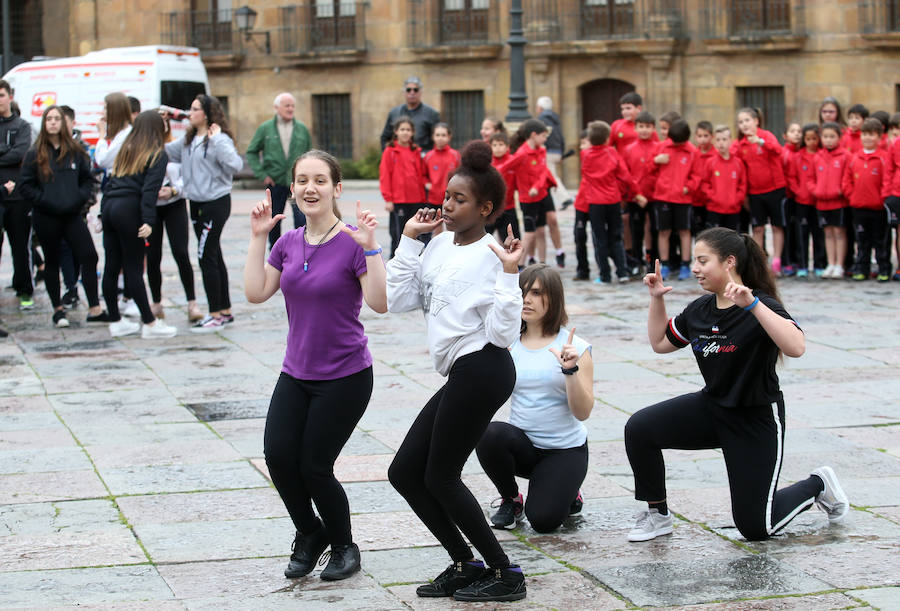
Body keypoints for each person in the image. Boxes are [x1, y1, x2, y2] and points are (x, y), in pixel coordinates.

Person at [625, 228, 849, 543]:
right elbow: (661, 343)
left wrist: (753, 305)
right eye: (695, 260)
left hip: (754, 419)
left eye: (703, 261)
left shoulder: (761, 304)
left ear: (729, 262)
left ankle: (818, 484)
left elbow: (796, 347)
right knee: (640, 428)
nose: (696, 268)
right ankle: (657, 515)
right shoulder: (700, 310)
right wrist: (656, 299)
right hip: (713, 409)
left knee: (757, 528)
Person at [386, 141, 527, 603]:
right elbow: (398, 299)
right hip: (462, 371)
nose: (447, 205)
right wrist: (409, 241)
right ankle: (466, 563)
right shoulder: (440, 244)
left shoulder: (493, 254)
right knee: (405, 472)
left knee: (441, 475)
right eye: (446, 195)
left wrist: (509, 275)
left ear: (485, 208)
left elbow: (505, 335)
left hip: (484, 367)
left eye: (459, 199)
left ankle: (506, 573)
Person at [245, 149, 387, 582]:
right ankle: (310, 533)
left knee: (314, 465)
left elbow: (380, 303)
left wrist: (373, 248)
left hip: (346, 375)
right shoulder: (287, 243)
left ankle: (345, 546)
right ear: (292, 190)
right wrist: (256, 238)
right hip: (297, 372)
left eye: (320, 180)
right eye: (302, 180)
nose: (311, 187)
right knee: (277, 455)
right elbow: (255, 292)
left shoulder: (352, 241)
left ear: (336, 189)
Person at [476, 264, 593, 533]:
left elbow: (583, 412)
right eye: (523, 292)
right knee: (488, 433)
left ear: (554, 298)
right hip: (523, 447)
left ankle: (568, 490)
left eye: (537, 293)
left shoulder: (575, 347)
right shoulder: (507, 343)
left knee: (543, 521)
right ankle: (511, 499)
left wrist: (570, 370)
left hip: (565, 450)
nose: (527, 299)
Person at [18, 105, 107, 328]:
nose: (54, 123)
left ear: (64, 123)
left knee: (88, 255)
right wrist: (44, 200)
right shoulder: (35, 153)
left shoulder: (75, 151)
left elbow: (89, 179)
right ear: (44, 123)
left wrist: (79, 198)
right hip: (47, 216)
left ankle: (94, 307)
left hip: (72, 214)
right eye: (49, 119)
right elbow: (25, 186)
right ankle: (58, 309)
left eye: (57, 119)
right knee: (52, 261)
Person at [166, 94, 243, 332]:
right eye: (190, 108)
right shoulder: (188, 140)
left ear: (208, 113)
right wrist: (160, 125)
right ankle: (224, 311)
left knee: (204, 256)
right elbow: (165, 152)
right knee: (214, 254)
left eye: (196, 109)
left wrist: (218, 139)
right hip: (196, 204)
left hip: (215, 203)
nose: (191, 112)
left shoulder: (217, 138)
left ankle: (214, 314)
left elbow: (235, 165)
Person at [100, 111, 176, 339]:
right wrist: (148, 220)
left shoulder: (126, 149)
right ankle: (150, 323)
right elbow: (149, 191)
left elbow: (111, 181)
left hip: (110, 205)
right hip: (129, 209)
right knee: (133, 267)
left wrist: (103, 213)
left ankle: (115, 320)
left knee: (112, 265)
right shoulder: (156, 154)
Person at [147, 110, 201, 322]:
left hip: (174, 204)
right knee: (152, 256)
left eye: (165, 122)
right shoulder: (144, 150)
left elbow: (188, 177)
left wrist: (174, 190)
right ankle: (156, 303)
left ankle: (192, 303)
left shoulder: (177, 147)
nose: (163, 125)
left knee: (181, 252)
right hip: (152, 207)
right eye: (158, 122)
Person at [579, 120, 645, 284]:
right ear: (608, 138)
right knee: (616, 237)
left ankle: (605, 275)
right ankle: (622, 272)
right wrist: (637, 193)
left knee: (599, 240)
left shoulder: (585, 155)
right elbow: (625, 176)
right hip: (613, 201)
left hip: (595, 203)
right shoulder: (612, 153)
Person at [246, 92, 310, 248]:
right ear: (277, 108)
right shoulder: (265, 128)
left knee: (302, 220)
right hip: (275, 182)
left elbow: (309, 154)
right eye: (287, 105)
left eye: (293, 106)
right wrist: (262, 175)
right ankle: (275, 254)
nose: (290, 109)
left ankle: (302, 251)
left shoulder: (302, 129)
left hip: (297, 182)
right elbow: (251, 152)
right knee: (273, 221)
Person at [734, 107, 787, 275]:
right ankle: (761, 262)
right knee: (758, 228)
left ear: (756, 121)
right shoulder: (740, 145)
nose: (744, 125)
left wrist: (761, 142)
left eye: (747, 120)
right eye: (741, 122)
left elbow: (778, 150)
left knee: (777, 226)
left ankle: (777, 260)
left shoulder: (766, 136)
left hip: (775, 189)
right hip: (755, 192)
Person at [646, 119, 701, 281]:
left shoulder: (692, 152)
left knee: (684, 231)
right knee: (664, 231)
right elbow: (648, 169)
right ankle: (665, 264)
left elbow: (697, 176)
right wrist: (656, 161)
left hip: (682, 198)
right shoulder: (662, 147)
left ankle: (685, 264)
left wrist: (688, 187)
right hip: (663, 197)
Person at [842, 118, 891, 282]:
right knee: (862, 241)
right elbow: (846, 180)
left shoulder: (883, 158)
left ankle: (884, 268)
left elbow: (887, 180)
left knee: (880, 241)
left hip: (878, 208)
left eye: (872, 134)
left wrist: (882, 199)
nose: (867, 138)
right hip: (859, 207)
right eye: (865, 134)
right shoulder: (854, 158)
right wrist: (852, 196)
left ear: (879, 137)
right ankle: (862, 268)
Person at [0, 79, 35, 310]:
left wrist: (7, 152)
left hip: (17, 197)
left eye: (2, 95)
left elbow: (20, 153)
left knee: (21, 245)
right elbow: (10, 154)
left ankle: (24, 289)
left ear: (10, 96)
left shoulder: (22, 126)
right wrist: (6, 151)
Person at [510, 119, 560, 268]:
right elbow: (507, 167)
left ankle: (542, 262)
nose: (545, 140)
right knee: (530, 232)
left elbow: (543, 171)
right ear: (533, 135)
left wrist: (541, 186)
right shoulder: (522, 153)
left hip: (541, 195)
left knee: (541, 230)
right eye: (543, 136)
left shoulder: (541, 150)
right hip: (527, 199)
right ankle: (520, 263)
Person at [379, 116, 427, 256]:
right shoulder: (390, 151)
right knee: (398, 234)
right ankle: (395, 262)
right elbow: (385, 176)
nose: (405, 132)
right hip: (399, 200)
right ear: (396, 132)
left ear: (412, 132)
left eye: (408, 130)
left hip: (416, 199)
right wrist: (388, 199)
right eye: (402, 129)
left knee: (415, 233)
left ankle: (414, 261)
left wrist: (424, 196)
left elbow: (421, 174)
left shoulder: (416, 151)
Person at [808, 122, 850, 279]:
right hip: (822, 202)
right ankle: (830, 263)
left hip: (838, 202)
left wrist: (841, 190)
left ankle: (840, 264)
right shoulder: (817, 157)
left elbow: (847, 177)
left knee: (839, 232)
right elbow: (810, 179)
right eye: (825, 136)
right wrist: (816, 190)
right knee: (827, 233)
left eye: (832, 136)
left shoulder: (845, 156)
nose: (829, 140)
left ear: (839, 137)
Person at [623, 111, 661, 269]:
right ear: (635, 128)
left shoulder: (658, 148)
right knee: (636, 230)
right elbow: (627, 173)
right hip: (636, 197)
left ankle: (654, 261)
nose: (644, 130)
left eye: (647, 127)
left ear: (653, 128)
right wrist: (636, 194)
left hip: (654, 196)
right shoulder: (629, 149)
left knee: (655, 230)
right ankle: (637, 260)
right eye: (641, 126)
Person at [787, 123, 826, 278]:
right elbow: (792, 177)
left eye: (814, 138)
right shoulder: (798, 157)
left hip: (818, 202)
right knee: (801, 234)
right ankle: (802, 264)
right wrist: (798, 191)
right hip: (802, 201)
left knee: (818, 234)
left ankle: (819, 264)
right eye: (808, 138)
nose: (811, 142)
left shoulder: (822, 156)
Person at [699, 125, 746, 231]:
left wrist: (736, 199)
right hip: (714, 209)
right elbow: (704, 184)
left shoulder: (738, 163)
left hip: (733, 210)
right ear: (714, 142)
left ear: (730, 141)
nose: (721, 143)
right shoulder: (710, 162)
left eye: (724, 139)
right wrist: (713, 197)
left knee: (732, 241)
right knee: (714, 242)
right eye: (718, 140)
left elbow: (742, 185)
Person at [380, 76, 441, 152]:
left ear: (420, 92)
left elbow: (438, 138)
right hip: (398, 157)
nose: (412, 93)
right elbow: (385, 137)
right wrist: (389, 154)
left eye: (415, 90)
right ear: (404, 92)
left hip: (422, 157)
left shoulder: (431, 114)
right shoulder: (394, 113)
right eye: (408, 90)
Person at [535, 96, 573, 210]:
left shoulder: (541, 118)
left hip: (548, 151)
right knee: (550, 175)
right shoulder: (555, 118)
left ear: (540, 107)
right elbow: (561, 136)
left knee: (551, 177)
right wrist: (561, 151)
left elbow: (543, 137)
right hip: (556, 151)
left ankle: (565, 198)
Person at [423, 122, 460, 237]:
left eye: (443, 135)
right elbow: (423, 174)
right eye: (437, 135)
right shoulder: (428, 156)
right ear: (433, 137)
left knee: (452, 227)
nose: (440, 138)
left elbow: (461, 175)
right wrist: (427, 184)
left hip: (451, 199)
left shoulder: (455, 155)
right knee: (436, 227)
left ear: (449, 137)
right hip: (434, 198)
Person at [488, 132, 521, 245]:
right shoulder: (488, 163)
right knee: (483, 240)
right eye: (495, 145)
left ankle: (515, 262)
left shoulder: (512, 161)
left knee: (512, 241)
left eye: (501, 144)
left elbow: (520, 182)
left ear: (507, 147)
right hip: (490, 208)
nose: (498, 148)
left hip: (509, 207)